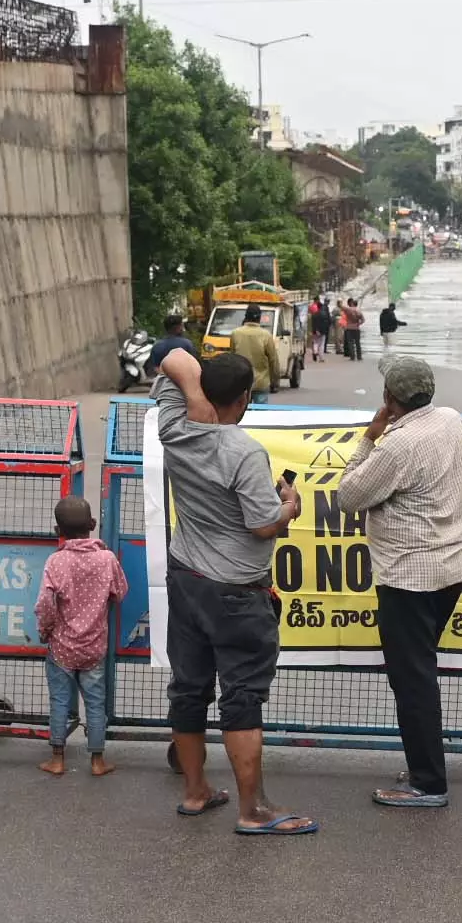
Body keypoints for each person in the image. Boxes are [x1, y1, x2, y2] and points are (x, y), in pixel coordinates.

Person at [156, 348, 315, 836]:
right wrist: (289, 505)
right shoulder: (243, 452)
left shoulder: (173, 424)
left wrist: (191, 393)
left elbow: (173, 358)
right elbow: (263, 525)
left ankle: (195, 790)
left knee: (189, 687)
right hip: (235, 590)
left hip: (186, 579)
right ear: (245, 398)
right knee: (241, 695)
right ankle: (254, 809)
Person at [334, 355, 462, 808]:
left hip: (408, 579)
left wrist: (368, 438)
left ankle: (428, 782)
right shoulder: (452, 420)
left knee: (412, 680)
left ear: (390, 401)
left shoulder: (396, 446)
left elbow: (349, 496)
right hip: (449, 572)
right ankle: (422, 763)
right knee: (419, 673)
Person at [35, 495, 127, 777]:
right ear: (93, 524)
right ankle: (98, 761)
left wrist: (45, 632)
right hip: (94, 647)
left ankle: (57, 758)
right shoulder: (107, 559)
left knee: (60, 702)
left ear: (57, 530)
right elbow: (120, 592)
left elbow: (45, 605)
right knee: (96, 704)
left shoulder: (56, 561)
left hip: (62, 647)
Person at [229, 306, 285, 404]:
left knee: (244, 414)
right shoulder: (266, 335)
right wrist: (275, 381)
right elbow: (273, 360)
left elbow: (232, 358)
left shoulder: (235, 333)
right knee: (261, 415)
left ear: (245, 317)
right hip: (261, 383)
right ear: (259, 318)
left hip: (242, 383)